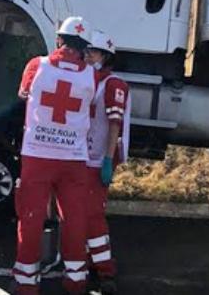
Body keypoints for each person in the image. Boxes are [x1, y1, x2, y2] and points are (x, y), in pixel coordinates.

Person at [13, 16, 96, 295]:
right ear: (84, 46)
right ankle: (76, 280)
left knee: (31, 216)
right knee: (74, 217)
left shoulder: (38, 65)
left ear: (59, 39)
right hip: (74, 156)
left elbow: (23, 94)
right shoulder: (91, 74)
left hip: (38, 153)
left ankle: (26, 283)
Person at [84, 31, 131, 294]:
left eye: (94, 52)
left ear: (106, 56)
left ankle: (105, 271)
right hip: (83, 158)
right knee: (80, 213)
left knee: (93, 215)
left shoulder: (113, 84)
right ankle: (89, 262)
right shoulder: (90, 80)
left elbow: (115, 125)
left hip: (97, 159)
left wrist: (106, 160)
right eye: (87, 50)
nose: (88, 55)